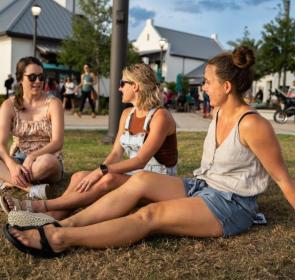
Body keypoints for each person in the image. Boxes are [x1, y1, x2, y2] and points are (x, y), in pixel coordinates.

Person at [4, 46, 295, 258]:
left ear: (227, 86)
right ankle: (60, 221)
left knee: (150, 215)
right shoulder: (218, 113)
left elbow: (283, 180)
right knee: (140, 180)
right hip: (202, 186)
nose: (203, 88)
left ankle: (59, 237)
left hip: (231, 205)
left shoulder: (254, 125)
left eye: (207, 82)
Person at [1, 63, 178, 220]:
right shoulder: (127, 114)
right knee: (79, 177)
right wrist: (97, 171)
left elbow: (141, 160)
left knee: (107, 179)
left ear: (136, 87)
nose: (119, 88)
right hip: (138, 177)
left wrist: (101, 171)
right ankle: (54, 217)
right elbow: (116, 153)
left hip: (158, 182)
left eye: (123, 83)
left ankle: (40, 207)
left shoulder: (160, 116)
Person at [0, 57, 64, 199]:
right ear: (20, 79)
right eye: (32, 77)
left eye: (41, 77)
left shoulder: (54, 103)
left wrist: (33, 156)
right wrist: (11, 165)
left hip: (46, 159)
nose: (38, 81)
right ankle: (31, 189)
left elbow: (58, 142)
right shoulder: (9, 105)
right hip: (19, 160)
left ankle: (8, 180)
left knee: (49, 162)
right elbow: (1, 144)